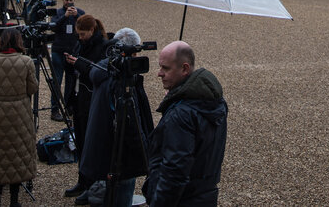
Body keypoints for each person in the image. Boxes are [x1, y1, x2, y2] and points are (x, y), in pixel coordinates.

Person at [144, 41, 228, 207]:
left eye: (166, 68)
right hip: (205, 196)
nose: (159, 74)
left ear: (185, 69)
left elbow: (174, 172)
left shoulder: (181, 114)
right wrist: (174, 97)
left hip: (183, 200)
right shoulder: (215, 101)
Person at [78, 27, 154, 207]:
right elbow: (131, 125)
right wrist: (147, 159)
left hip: (101, 153)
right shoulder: (120, 79)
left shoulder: (104, 68)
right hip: (120, 159)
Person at [0, 28, 38, 207]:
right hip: (19, 112)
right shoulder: (26, 62)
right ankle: (13, 200)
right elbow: (32, 88)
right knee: (17, 154)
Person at [63, 14, 108, 200]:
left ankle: (94, 185)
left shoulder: (103, 46)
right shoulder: (80, 44)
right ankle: (83, 181)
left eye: (82, 34)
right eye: (78, 34)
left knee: (93, 145)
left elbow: (100, 73)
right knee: (81, 142)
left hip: (92, 100)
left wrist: (79, 64)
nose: (80, 37)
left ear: (92, 30)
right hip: (79, 99)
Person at [49, 0, 83, 122]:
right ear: (62, 0)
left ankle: (68, 107)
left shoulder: (79, 13)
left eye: (71, 0)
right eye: (66, 0)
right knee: (56, 81)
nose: (69, 2)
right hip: (58, 51)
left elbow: (86, 26)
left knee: (71, 81)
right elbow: (53, 28)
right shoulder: (57, 13)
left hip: (72, 52)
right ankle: (55, 109)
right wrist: (65, 16)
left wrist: (76, 16)